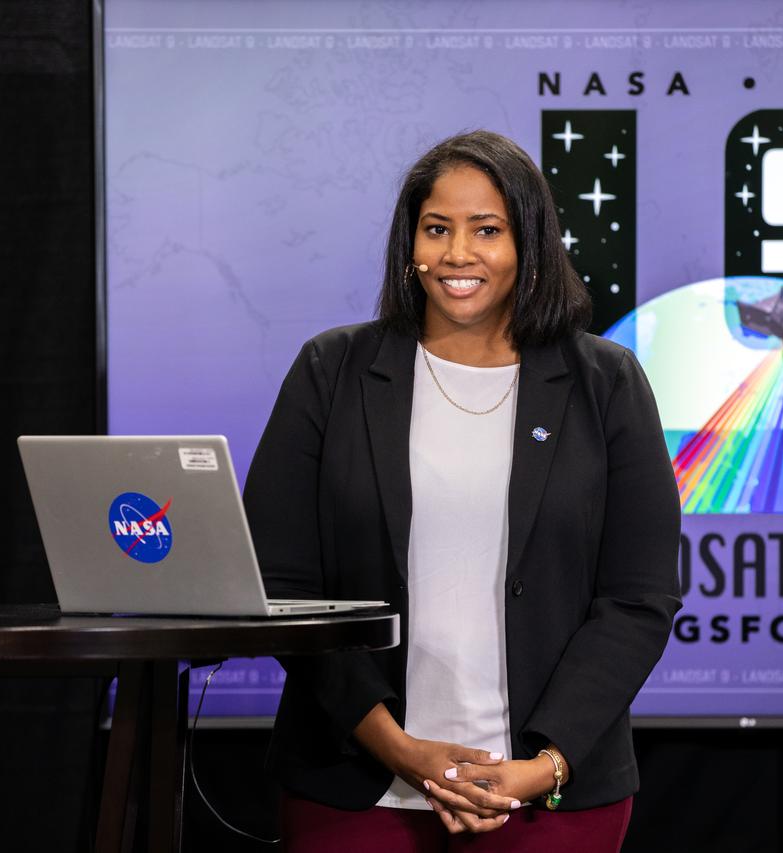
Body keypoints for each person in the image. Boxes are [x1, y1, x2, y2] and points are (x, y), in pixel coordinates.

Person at [242, 129, 680, 852]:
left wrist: (541, 767)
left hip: (549, 797)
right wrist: (397, 747)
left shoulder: (607, 382)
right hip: (354, 787)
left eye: (488, 230)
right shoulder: (333, 369)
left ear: (529, 244)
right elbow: (283, 582)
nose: (457, 254)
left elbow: (638, 598)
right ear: (410, 241)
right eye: (437, 228)